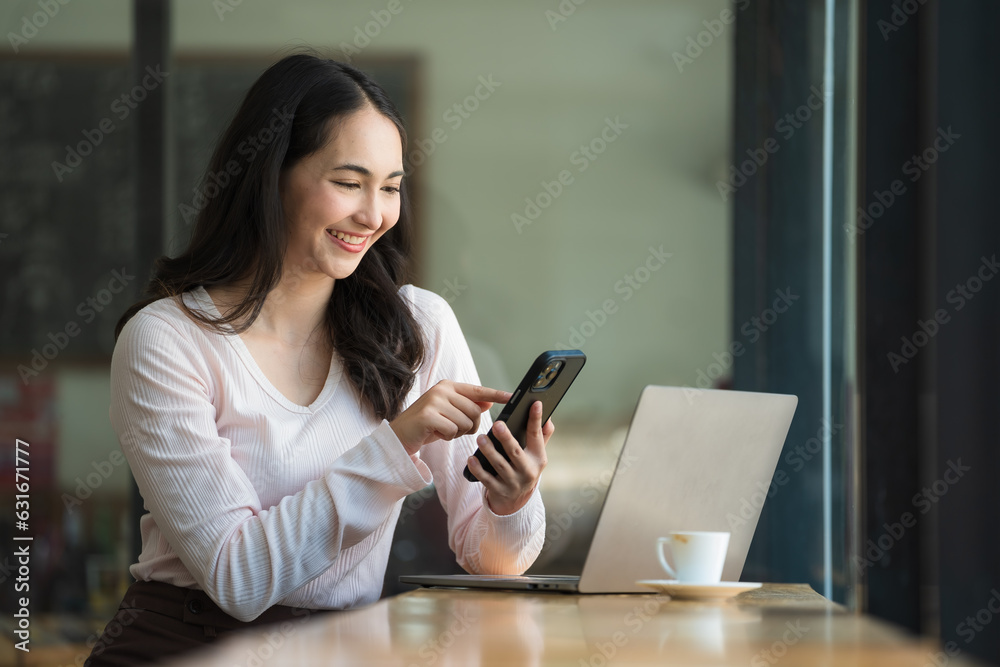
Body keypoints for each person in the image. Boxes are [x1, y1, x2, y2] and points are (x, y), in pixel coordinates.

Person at [85, 53, 551, 666]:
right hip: (186, 647)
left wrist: (509, 500)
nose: (374, 214)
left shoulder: (418, 329)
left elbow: (493, 558)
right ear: (271, 174)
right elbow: (238, 578)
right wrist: (396, 443)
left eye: (390, 187)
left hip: (341, 650)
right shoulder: (167, 341)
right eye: (348, 183)